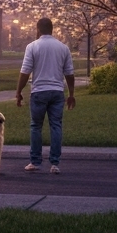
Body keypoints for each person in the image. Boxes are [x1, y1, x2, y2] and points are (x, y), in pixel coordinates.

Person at [16, 17, 76, 174]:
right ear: (52, 29)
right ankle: (55, 163)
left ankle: (35, 161)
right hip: (57, 92)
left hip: (39, 91)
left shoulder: (32, 46)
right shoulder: (63, 48)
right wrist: (71, 94)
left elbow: (25, 72)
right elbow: (69, 74)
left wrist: (18, 92)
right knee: (56, 125)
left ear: (37, 29)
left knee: (36, 126)